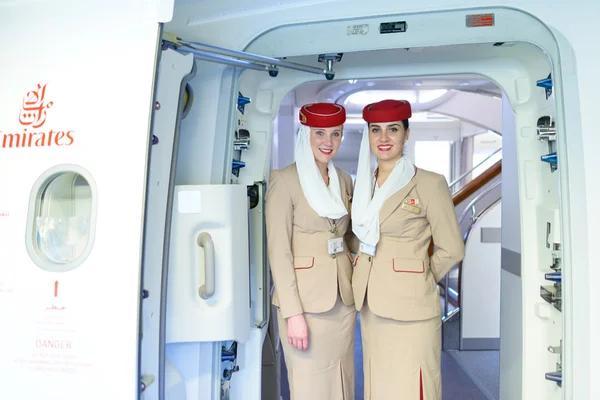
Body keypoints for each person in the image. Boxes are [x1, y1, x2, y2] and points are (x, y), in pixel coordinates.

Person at [351, 99, 465, 399]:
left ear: (406, 134)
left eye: (393, 129)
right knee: (379, 385)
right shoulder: (362, 186)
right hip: (371, 304)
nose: (384, 138)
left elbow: (452, 248)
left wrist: (421, 277)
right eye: (376, 130)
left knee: (416, 387)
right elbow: (359, 239)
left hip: (413, 308)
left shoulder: (429, 183)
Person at [265, 103, 357, 400]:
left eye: (335, 134)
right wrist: (293, 314)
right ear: (305, 135)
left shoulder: (343, 179)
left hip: (342, 300)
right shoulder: (285, 181)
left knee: (342, 379)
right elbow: (279, 252)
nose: (328, 142)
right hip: (304, 304)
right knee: (310, 385)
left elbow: (348, 236)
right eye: (320, 133)